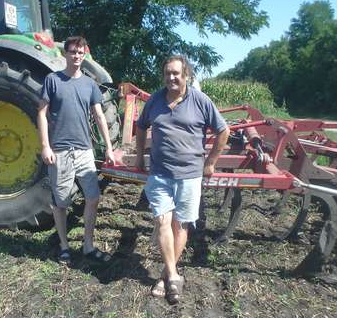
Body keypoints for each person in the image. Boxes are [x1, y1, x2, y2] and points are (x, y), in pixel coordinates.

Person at [135, 55, 230, 304]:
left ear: (186, 75)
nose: (171, 77)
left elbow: (224, 130)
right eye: (167, 73)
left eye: (176, 73)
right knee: (162, 221)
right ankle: (175, 276)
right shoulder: (155, 100)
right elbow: (141, 126)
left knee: (181, 225)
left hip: (189, 176)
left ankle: (166, 275)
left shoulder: (200, 100)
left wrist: (210, 162)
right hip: (160, 174)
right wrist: (138, 156)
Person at [37, 36, 116, 266]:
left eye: (81, 52)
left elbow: (100, 116)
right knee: (61, 203)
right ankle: (64, 246)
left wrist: (109, 147)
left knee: (93, 197)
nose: (77, 56)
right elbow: (41, 113)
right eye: (73, 52)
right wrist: (45, 146)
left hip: (84, 150)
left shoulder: (90, 84)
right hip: (60, 151)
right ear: (66, 54)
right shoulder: (53, 80)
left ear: (84, 54)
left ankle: (88, 245)